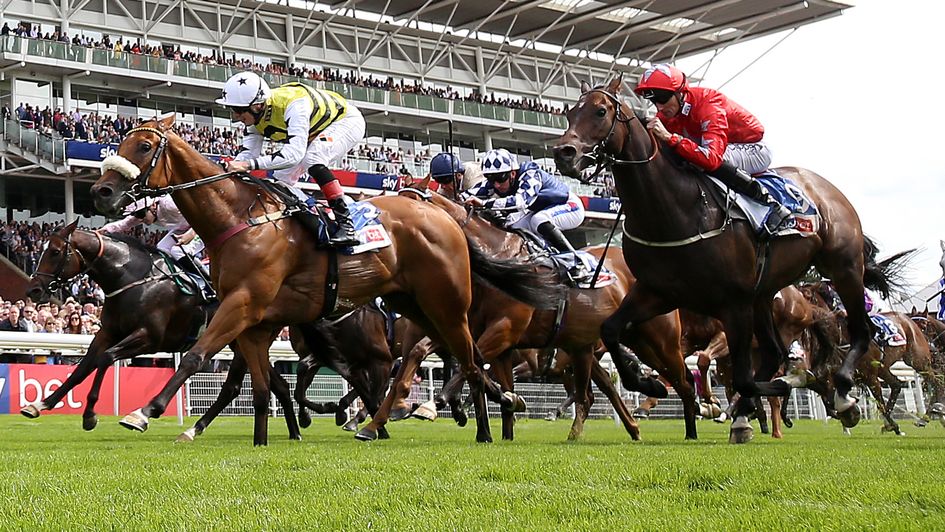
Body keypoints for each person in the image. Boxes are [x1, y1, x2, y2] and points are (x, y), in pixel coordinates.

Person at [633, 63, 791, 236]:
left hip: (752, 148)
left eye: (663, 98)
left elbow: (712, 159)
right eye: (653, 100)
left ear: (680, 93)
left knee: (703, 162)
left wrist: (671, 138)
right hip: (717, 147)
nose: (659, 107)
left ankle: (771, 205)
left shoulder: (708, 105)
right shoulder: (666, 114)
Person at [215, 71, 363, 246]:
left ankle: (347, 225)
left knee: (313, 159)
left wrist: (247, 165)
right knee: (279, 183)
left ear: (257, 105)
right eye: (232, 109)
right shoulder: (255, 119)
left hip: (345, 122)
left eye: (238, 110)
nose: (235, 116)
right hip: (312, 132)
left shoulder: (294, 105)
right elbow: (246, 156)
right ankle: (309, 221)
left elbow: (293, 155)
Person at [465, 148, 591, 282]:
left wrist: (484, 203)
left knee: (539, 220)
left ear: (512, 173)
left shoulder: (530, 174)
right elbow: (467, 194)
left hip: (570, 206)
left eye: (500, 178)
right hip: (541, 209)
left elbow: (520, 202)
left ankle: (576, 262)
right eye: (491, 179)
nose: (496, 184)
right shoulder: (497, 183)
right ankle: (542, 258)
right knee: (512, 224)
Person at [101, 196, 212, 298]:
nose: (139, 219)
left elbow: (201, 209)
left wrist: (191, 234)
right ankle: (186, 282)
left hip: (203, 223)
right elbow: (122, 225)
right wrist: (100, 232)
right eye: (136, 215)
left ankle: (210, 283)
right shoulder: (144, 213)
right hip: (184, 227)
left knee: (178, 251)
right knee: (162, 249)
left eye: (140, 214)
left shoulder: (169, 204)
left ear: (153, 205)